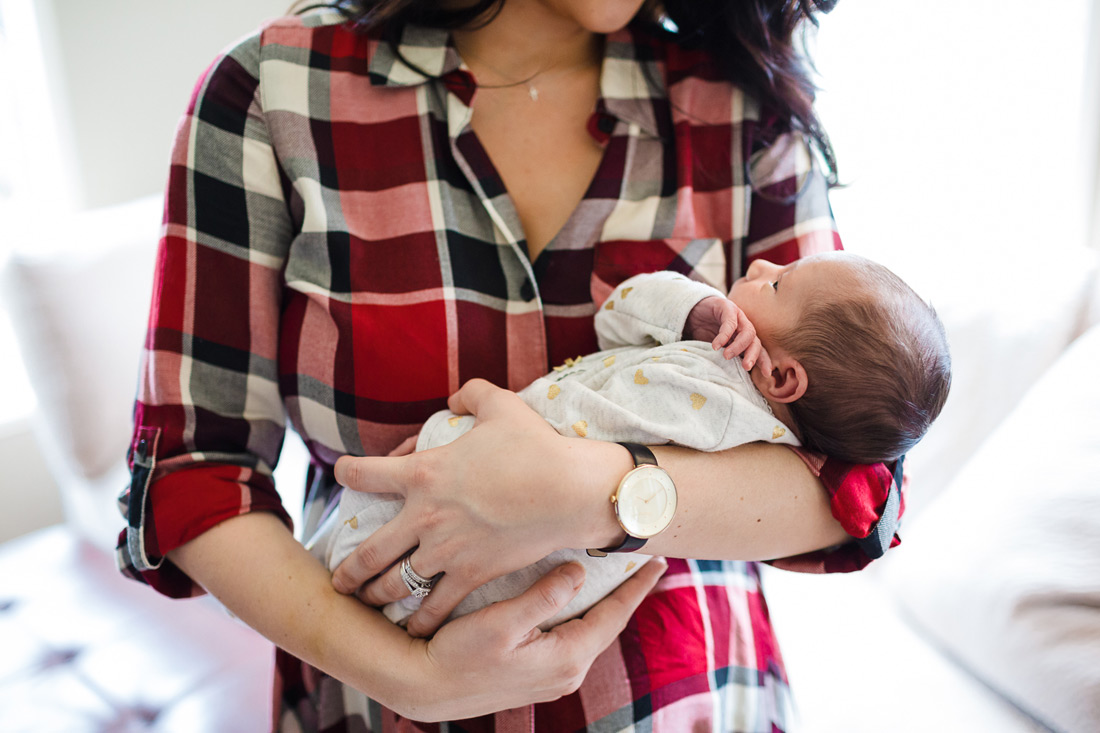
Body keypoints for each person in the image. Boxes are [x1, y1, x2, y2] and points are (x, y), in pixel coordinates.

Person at [116, 0, 911, 730]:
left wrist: (591, 492)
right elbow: (193, 469)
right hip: (377, 703)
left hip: (690, 699)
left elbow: (859, 481)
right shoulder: (275, 92)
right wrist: (412, 675)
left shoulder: (742, 112)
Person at [322, 252, 950, 631]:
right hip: (502, 539)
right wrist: (695, 311)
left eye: (778, 284)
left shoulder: (730, 406)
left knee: (360, 555)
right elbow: (617, 318)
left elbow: (874, 503)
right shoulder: (758, 417)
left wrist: (570, 489)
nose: (760, 266)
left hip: (494, 539)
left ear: (786, 378)